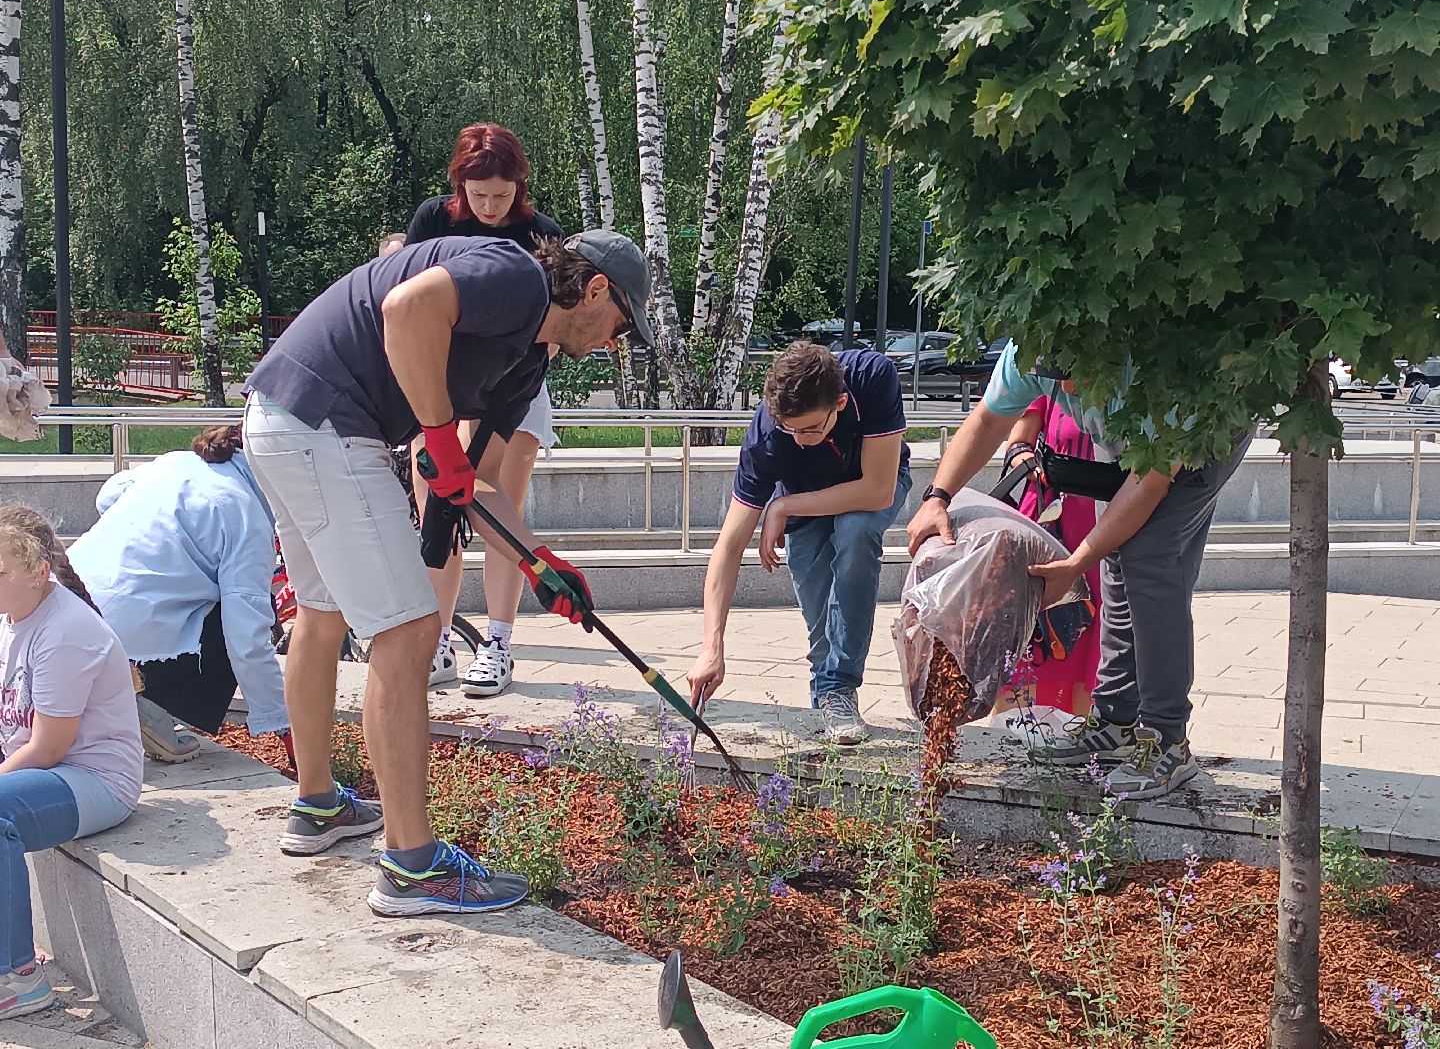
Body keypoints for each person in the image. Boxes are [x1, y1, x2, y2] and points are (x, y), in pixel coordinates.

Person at [242, 228, 650, 916]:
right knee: (407, 634)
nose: (616, 341)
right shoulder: (513, 276)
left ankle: (317, 806)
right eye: (621, 325)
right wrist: (435, 433)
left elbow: (477, 477)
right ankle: (411, 866)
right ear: (597, 288)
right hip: (327, 426)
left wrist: (540, 560)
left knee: (322, 613)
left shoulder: (525, 360)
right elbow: (406, 311)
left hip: (283, 419)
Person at [907, 343, 1250, 799]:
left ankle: (1168, 740)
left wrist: (1075, 563)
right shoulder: (1030, 346)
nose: (1066, 388)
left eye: (1077, 375)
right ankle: (1114, 721)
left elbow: (1149, 482)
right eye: (1055, 377)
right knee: (1117, 557)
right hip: (1135, 447)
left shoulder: (1158, 371)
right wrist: (938, 497)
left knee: (1147, 558)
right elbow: (990, 420)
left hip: (1202, 434)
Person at [406, 122, 566, 697]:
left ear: (519, 187)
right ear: (460, 186)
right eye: (480, 197)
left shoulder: (542, 234)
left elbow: (550, 334)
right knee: (439, 513)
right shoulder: (434, 220)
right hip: (440, 389)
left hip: (516, 387)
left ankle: (497, 642)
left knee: (502, 506)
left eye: (503, 195)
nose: (493, 207)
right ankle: (439, 639)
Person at [687, 343, 911, 746]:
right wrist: (711, 648)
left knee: (855, 532)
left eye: (810, 429)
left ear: (839, 404)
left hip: (870, 484)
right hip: (808, 507)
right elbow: (729, 547)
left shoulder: (871, 377)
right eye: (789, 429)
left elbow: (878, 491)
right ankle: (829, 708)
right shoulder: (767, 439)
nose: (799, 440)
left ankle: (838, 688)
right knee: (821, 625)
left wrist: (783, 505)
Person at [68, 426, 291, 762]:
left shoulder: (173, 462)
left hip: (69, 598)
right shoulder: (247, 515)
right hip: (122, 635)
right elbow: (247, 639)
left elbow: (107, 496)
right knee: (245, 614)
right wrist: (283, 723)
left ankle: (127, 694)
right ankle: (141, 698)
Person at [0, 520, 142, 1018]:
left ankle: (16, 977)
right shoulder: (14, 615)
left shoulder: (64, 631)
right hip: (39, 770)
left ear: (39, 572)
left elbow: (49, 747)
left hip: (94, 779)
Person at [993, 398, 1102, 718]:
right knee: (1031, 634)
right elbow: (1018, 444)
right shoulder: (1050, 373)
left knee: (1096, 642)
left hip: (1108, 525)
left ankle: (1087, 744)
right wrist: (1028, 461)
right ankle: (1011, 738)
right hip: (1050, 520)